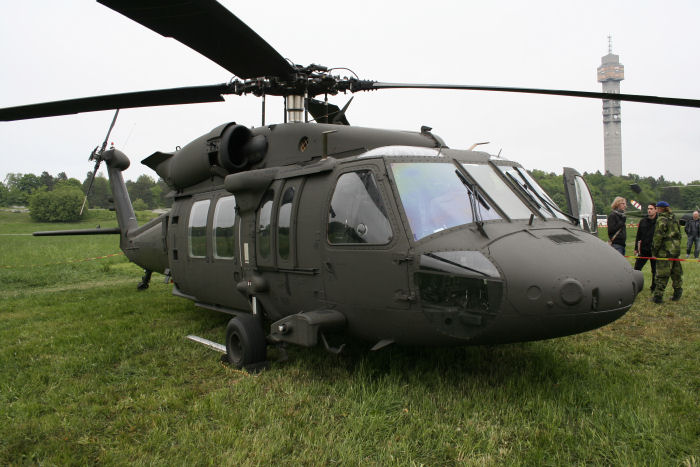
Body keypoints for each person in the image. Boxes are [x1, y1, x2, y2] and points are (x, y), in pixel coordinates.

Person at [651, 201, 683, 303]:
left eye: (656, 208)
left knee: (662, 274)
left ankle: (658, 297)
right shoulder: (674, 218)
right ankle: (677, 293)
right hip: (675, 250)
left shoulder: (661, 219)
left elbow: (658, 236)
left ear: (660, 209)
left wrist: (654, 251)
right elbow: (679, 234)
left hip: (665, 251)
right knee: (676, 273)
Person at [634, 203, 657, 291]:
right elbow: (638, 235)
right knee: (637, 269)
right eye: (648, 208)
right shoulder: (643, 221)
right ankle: (635, 286)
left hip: (654, 251)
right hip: (643, 250)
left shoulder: (658, 222)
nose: (649, 210)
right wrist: (636, 248)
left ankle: (654, 288)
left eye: (651, 209)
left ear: (655, 210)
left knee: (655, 271)